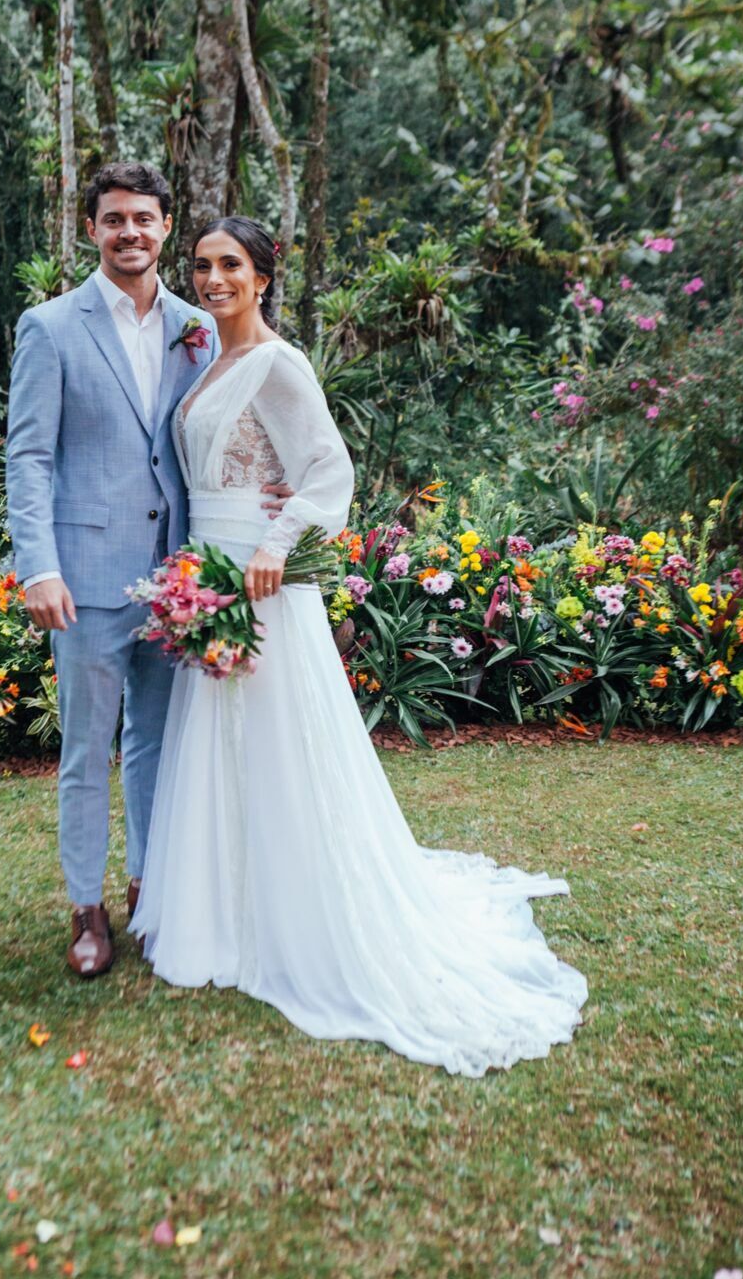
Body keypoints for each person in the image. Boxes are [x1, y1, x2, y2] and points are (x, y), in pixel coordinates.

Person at [131, 215, 589, 1075]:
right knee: (218, 746)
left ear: (263, 276)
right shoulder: (204, 361)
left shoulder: (278, 361)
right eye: (200, 264)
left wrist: (275, 547)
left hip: (264, 584)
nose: (212, 277)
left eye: (230, 264)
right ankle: (223, 915)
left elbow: (327, 472)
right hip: (208, 575)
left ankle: (299, 920)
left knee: (277, 750)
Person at [5, 164, 288, 979]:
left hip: (179, 584)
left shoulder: (202, 325)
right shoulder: (49, 327)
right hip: (85, 580)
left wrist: (270, 487)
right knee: (88, 750)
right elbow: (27, 456)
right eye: (112, 219)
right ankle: (86, 910)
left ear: (166, 228)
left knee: (163, 747)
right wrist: (37, 569)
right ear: (90, 229)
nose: (129, 231)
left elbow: (234, 424)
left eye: (144, 218)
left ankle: (151, 894)